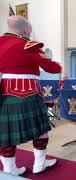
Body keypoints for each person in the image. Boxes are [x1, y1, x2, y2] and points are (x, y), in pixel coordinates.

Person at [0, 16, 62, 175]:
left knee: (6, 132)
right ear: (26, 30)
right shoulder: (30, 45)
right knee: (40, 129)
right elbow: (51, 68)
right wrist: (58, 65)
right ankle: (39, 164)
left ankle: (9, 169)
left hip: (4, 91)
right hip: (29, 91)